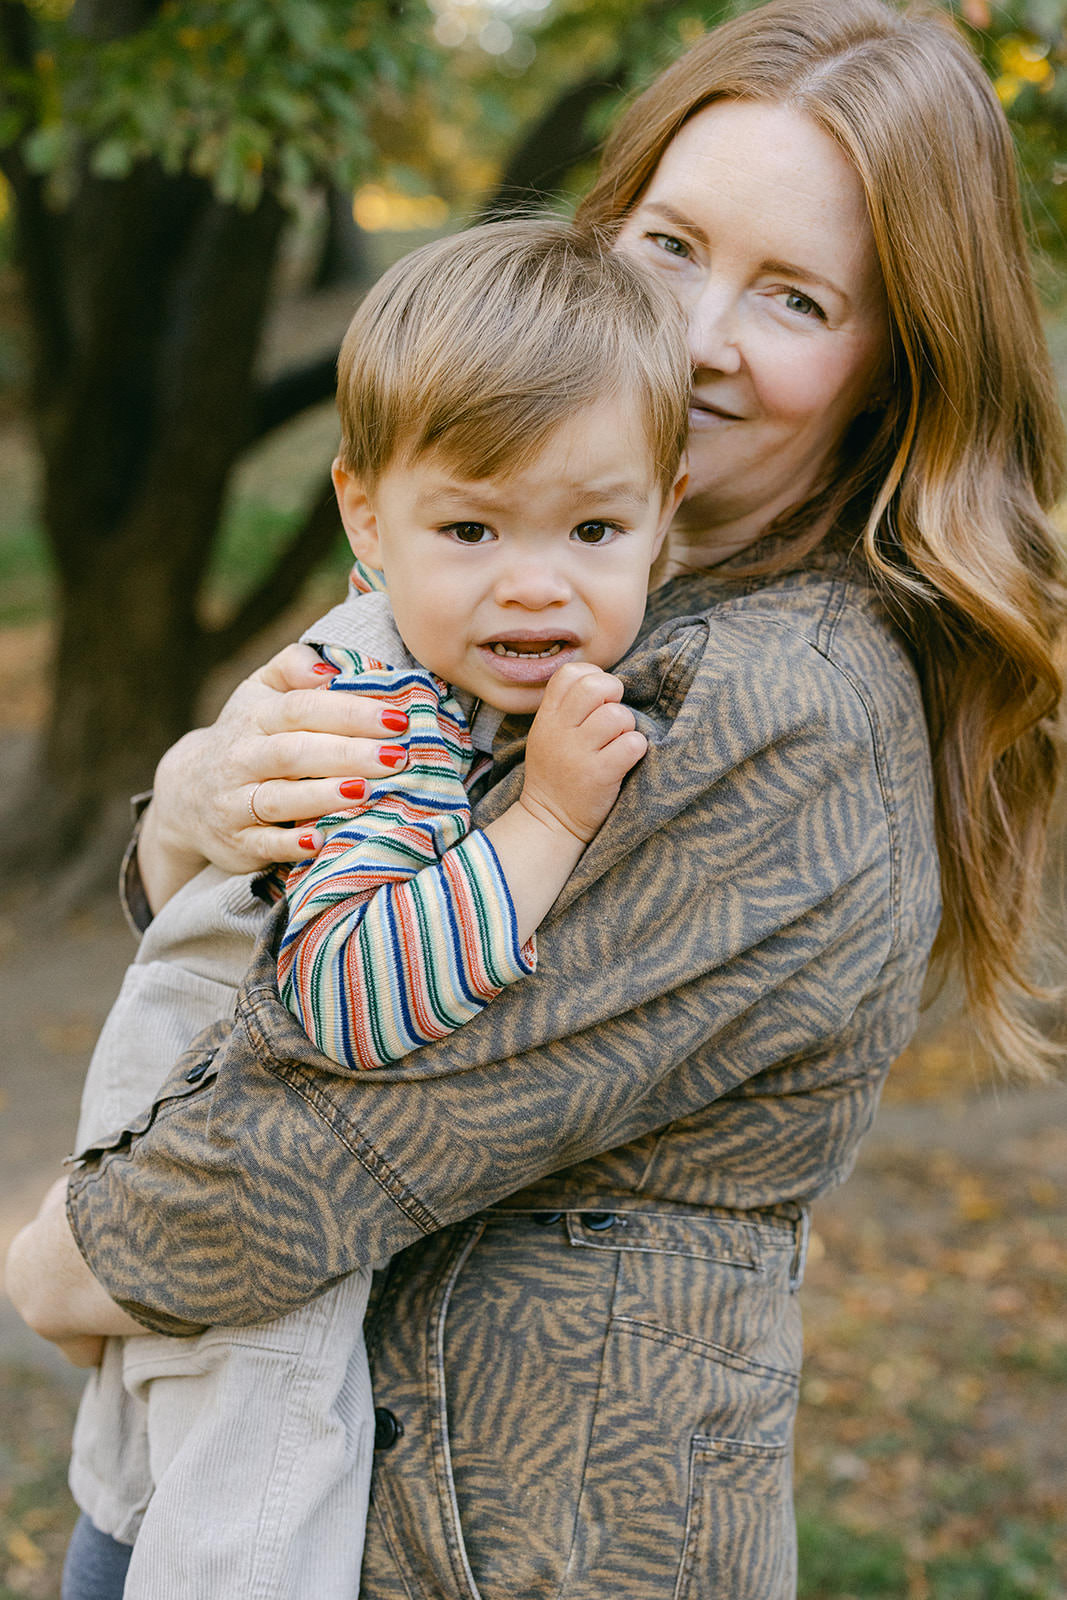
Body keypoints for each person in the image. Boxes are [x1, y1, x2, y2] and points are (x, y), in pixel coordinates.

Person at [8, 1, 1065, 1595]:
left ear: (897, 362)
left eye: (794, 295)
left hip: (515, 1540)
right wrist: (187, 824)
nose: (703, 336)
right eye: (669, 243)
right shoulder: (571, 591)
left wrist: (63, 1261)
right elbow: (324, 886)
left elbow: (338, 1139)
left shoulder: (784, 708)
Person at [26, 219, 690, 1599]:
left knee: (154, 1476)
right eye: (469, 527)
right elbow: (349, 1002)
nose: (535, 581)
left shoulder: (453, 667)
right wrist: (549, 824)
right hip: (226, 1136)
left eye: (594, 528)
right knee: (269, 1481)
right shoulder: (372, 718)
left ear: (664, 518)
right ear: (363, 518)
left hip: (195, 1136)